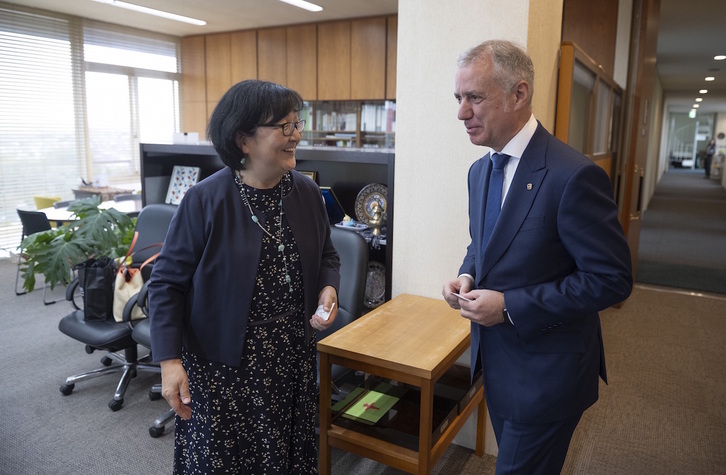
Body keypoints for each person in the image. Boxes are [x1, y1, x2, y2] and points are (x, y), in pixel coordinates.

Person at [442, 40, 633, 474]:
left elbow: (612, 279)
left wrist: (510, 306)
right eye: (459, 98)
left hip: (548, 375)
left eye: (475, 97)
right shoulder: (480, 170)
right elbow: (483, 245)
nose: (461, 112)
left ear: (519, 94)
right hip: (499, 364)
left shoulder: (574, 175)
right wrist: (466, 275)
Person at [148, 79, 341, 474]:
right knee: (226, 461)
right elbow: (167, 284)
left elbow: (327, 254)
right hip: (223, 364)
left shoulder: (307, 193)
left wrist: (328, 288)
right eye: (284, 126)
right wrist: (169, 361)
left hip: (291, 355)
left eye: (297, 124)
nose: (296, 135)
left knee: (287, 455)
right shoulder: (204, 199)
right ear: (243, 140)